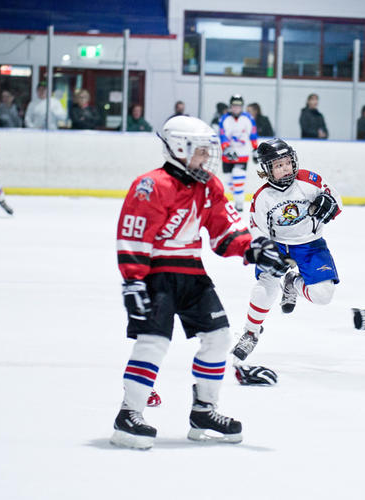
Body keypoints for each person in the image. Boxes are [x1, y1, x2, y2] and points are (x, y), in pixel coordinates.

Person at [109, 115, 289, 449]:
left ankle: (204, 410)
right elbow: (133, 235)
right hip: (157, 275)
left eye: (208, 150)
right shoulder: (152, 185)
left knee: (219, 338)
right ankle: (129, 413)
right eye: (200, 150)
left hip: (192, 273)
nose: (206, 157)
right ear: (178, 148)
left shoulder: (209, 185)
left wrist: (255, 249)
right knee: (153, 342)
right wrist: (133, 282)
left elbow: (225, 231)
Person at [230, 139, 365, 382]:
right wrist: (267, 251)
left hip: (310, 244)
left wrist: (331, 203)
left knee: (323, 295)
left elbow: (336, 199)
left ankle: (293, 284)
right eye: (278, 165)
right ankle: (251, 333)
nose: (285, 169)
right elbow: (257, 232)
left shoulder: (308, 179)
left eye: (287, 163)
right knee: (265, 288)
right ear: (266, 169)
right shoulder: (262, 198)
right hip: (279, 246)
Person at [218, 94, 259, 212]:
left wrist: (255, 149)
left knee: (238, 176)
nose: (236, 108)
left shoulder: (248, 118)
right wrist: (226, 148)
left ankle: (239, 202)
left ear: (242, 107)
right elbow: (222, 135)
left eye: (239, 106)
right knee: (228, 180)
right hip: (228, 154)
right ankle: (236, 197)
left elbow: (253, 134)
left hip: (242, 153)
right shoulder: (224, 119)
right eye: (234, 106)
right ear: (230, 106)